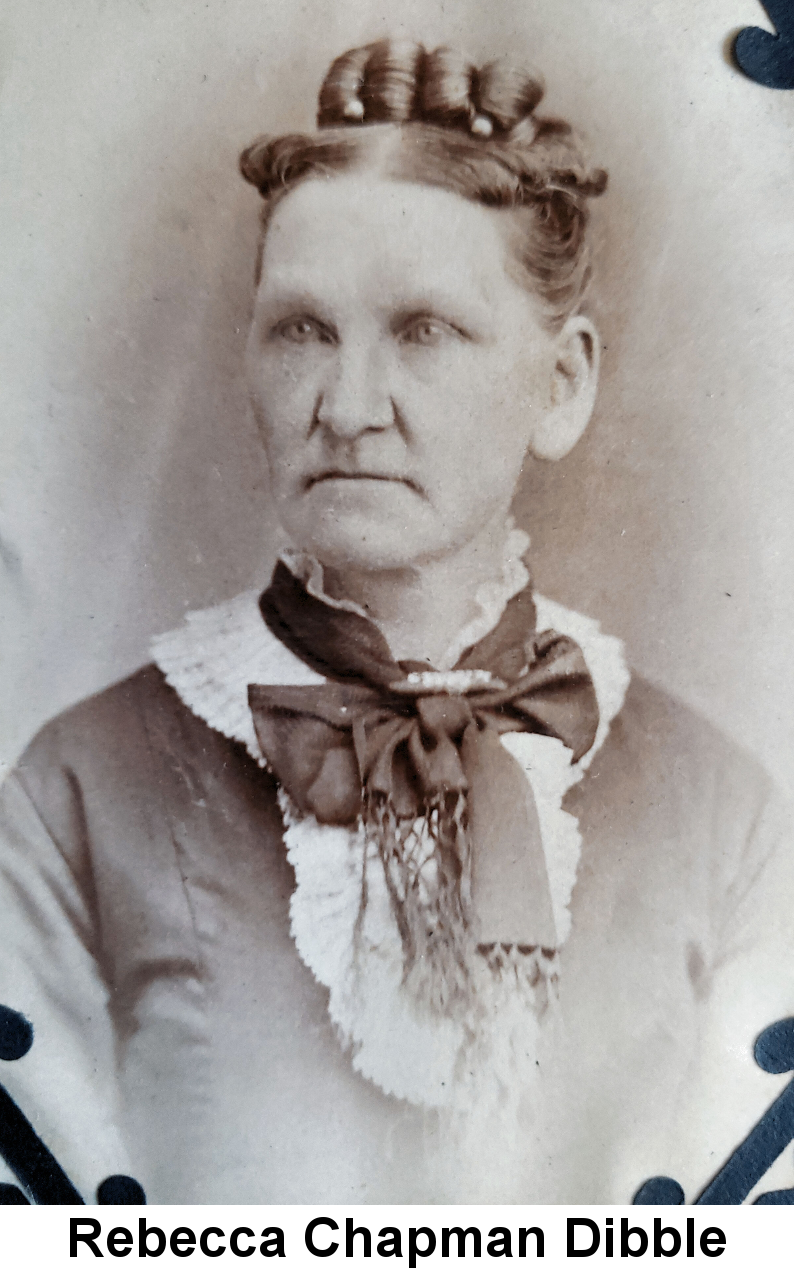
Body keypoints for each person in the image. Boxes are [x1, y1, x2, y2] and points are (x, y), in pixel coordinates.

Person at [1, 38, 792, 1206]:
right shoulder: (76, 787)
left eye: (422, 331)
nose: (348, 407)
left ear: (561, 384)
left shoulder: (719, 809)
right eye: (302, 329)